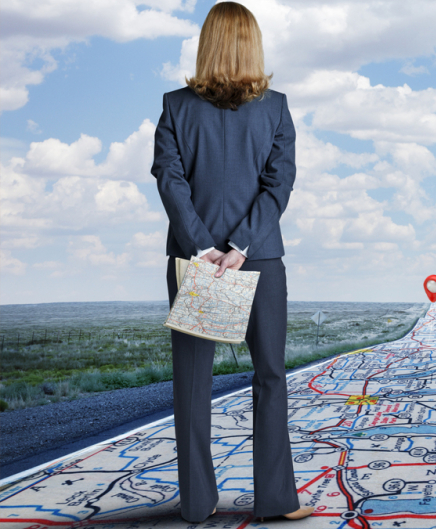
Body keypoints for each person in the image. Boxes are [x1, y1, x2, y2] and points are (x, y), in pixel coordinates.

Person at [151, 2, 313, 523]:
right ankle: (277, 501)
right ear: (254, 44)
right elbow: (278, 185)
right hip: (261, 258)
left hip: (193, 261)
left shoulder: (175, 106)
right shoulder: (278, 108)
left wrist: (202, 248)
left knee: (192, 384)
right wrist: (240, 245)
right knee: (269, 377)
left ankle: (197, 504)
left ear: (205, 43)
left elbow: (169, 182)